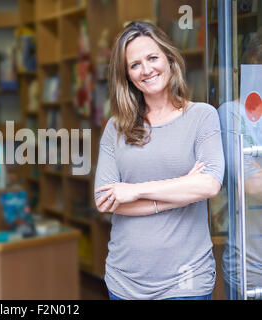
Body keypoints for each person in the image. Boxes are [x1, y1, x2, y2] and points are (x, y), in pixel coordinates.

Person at [94, 21, 225, 300]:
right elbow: (105, 200)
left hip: (186, 282)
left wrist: (135, 190)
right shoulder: (115, 127)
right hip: (125, 281)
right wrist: (183, 190)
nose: (147, 70)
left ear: (169, 58)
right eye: (135, 65)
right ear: (127, 75)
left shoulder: (202, 116)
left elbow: (210, 185)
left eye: (153, 58)